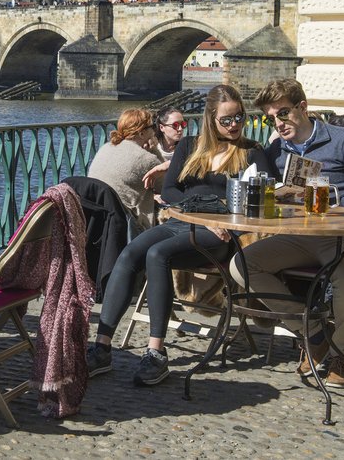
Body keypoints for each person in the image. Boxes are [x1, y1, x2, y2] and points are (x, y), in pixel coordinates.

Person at [86, 84, 274, 387]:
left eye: (239, 117)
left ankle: (156, 354)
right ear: (210, 119)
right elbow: (171, 190)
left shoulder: (252, 153)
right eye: (226, 120)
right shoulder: (189, 146)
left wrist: (218, 218)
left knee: (157, 255)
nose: (235, 125)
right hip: (182, 222)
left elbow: (264, 200)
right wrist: (198, 210)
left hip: (223, 234)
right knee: (129, 253)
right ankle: (102, 346)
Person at [231, 79, 344, 389]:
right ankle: (313, 333)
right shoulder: (277, 149)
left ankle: (343, 356)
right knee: (242, 265)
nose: (278, 122)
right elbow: (278, 195)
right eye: (270, 118)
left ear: (303, 107)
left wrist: (328, 201)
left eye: (283, 113)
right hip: (302, 235)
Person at [87, 109, 162, 232]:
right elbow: (168, 186)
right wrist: (154, 150)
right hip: (127, 224)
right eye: (152, 127)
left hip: (97, 217)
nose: (154, 130)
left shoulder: (106, 147)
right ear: (141, 133)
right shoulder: (146, 159)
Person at [141, 106, 186, 192]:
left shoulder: (187, 146)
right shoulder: (152, 147)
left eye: (183, 124)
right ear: (162, 127)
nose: (180, 129)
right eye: (175, 125)